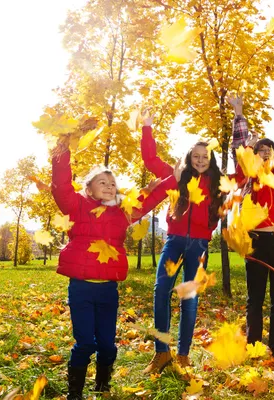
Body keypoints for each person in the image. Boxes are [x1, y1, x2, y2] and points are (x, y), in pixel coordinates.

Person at [51, 136, 178, 399]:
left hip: (108, 290)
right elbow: (61, 187)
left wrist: (174, 178)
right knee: (86, 343)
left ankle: (102, 385)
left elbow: (153, 198)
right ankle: (74, 392)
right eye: (102, 183)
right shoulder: (77, 205)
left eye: (112, 184)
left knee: (108, 346)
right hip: (81, 289)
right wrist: (62, 152)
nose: (109, 187)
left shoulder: (123, 212)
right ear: (89, 189)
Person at [141, 112, 224, 373]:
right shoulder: (177, 175)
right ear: (189, 158)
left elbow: (244, 173)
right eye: (196, 156)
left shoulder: (217, 182)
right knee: (161, 291)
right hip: (175, 242)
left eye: (205, 157)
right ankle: (161, 353)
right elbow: (150, 159)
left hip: (198, 247)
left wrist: (244, 140)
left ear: (210, 160)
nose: (200, 160)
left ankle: (183, 355)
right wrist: (147, 127)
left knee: (189, 300)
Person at [227, 93, 274, 360]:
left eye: (269, 148)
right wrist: (238, 112)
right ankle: (254, 345)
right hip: (256, 241)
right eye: (260, 148)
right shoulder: (249, 174)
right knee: (255, 298)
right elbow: (239, 143)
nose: (265, 150)